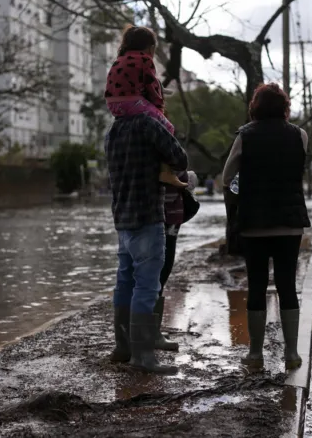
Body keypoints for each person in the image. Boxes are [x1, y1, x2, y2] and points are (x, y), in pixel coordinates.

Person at [222, 82, 311, 370]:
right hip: (289, 224)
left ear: (255, 107)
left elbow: (227, 177)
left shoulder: (245, 136)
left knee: (257, 286)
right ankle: (292, 354)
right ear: (285, 107)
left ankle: (255, 354)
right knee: (287, 286)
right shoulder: (300, 135)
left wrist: (239, 197)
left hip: (254, 224)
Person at [105, 92, 189, 375]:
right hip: (147, 216)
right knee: (147, 285)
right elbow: (180, 158)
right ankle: (142, 357)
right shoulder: (149, 124)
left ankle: (123, 347)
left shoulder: (114, 128)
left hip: (122, 218)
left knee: (125, 282)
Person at [104, 25, 187, 188]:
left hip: (114, 105)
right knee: (167, 127)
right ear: (150, 47)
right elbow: (152, 87)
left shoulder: (119, 60)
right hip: (132, 102)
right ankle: (166, 172)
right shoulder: (144, 59)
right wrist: (159, 108)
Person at [154, 167, 198, 351]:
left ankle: (144, 331)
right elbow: (187, 179)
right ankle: (151, 332)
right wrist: (187, 177)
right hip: (165, 219)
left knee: (153, 274)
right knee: (160, 273)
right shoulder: (165, 145)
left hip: (160, 218)